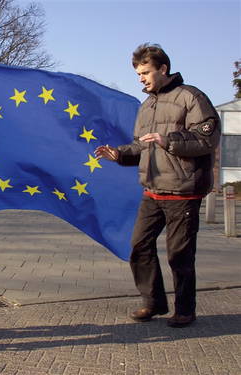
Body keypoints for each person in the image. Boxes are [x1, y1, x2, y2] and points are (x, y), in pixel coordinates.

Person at [95, 43, 220, 328]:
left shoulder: (192, 98)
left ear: (163, 69)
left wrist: (170, 141)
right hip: (152, 190)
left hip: (183, 192)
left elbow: (207, 139)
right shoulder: (147, 105)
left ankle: (185, 310)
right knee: (139, 246)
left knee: (179, 254)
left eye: (145, 72)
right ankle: (153, 302)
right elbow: (142, 145)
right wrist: (120, 153)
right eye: (138, 74)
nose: (141, 78)